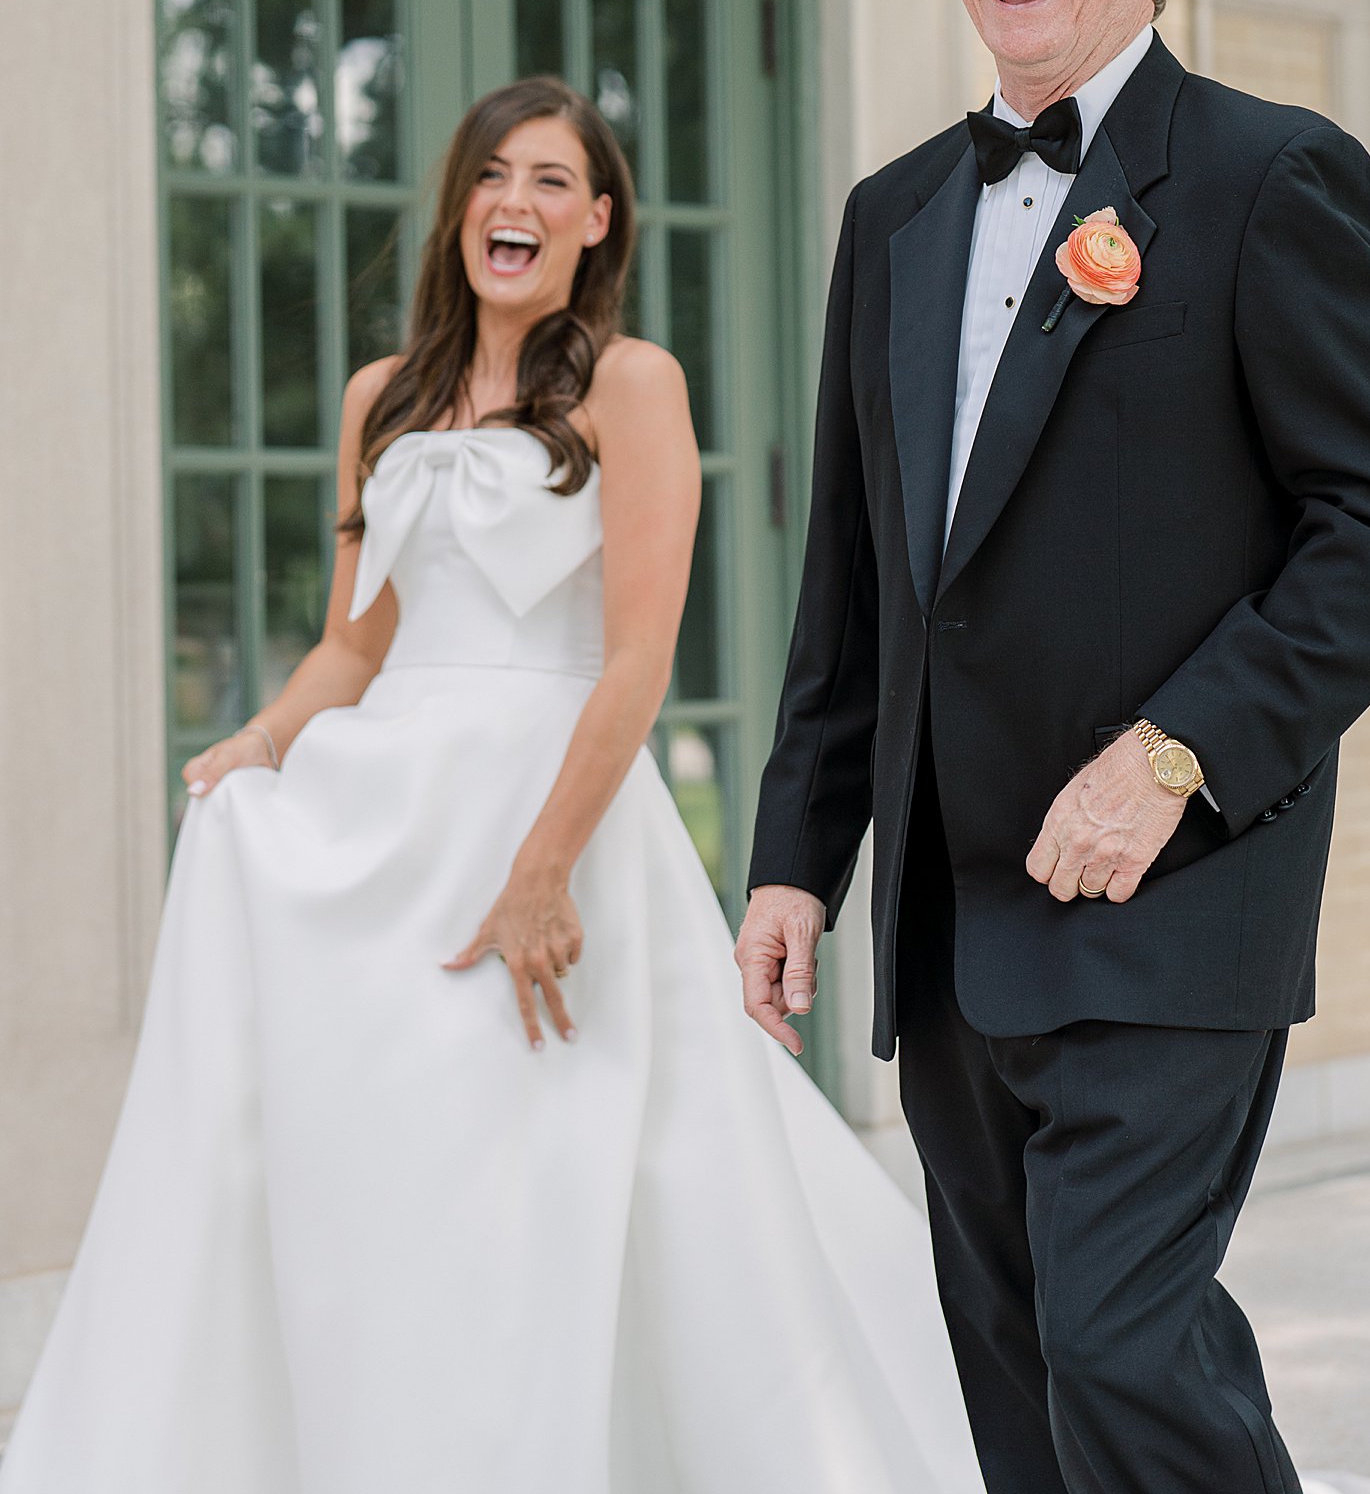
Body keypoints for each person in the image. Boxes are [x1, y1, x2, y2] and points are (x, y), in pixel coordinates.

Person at [0, 78, 985, 1494]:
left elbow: (639, 658)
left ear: (596, 221)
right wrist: (259, 747)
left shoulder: (633, 385)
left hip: (555, 817)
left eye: (550, 182)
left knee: (558, 1168)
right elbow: (356, 641)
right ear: (461, 208)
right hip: (392, 826)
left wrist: (542, 868)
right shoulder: (377, 399)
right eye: (491, 178)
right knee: (403, 1170)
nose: (514, 203)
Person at [738, 0, 1370, 1494]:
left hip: (1170, 890)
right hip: (950, 921)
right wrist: (794, 858)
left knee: (1119, 1348)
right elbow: (861, 575)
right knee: (1018, 1387)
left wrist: (1177, 754)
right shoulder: (892, 214)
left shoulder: (1274, 179)